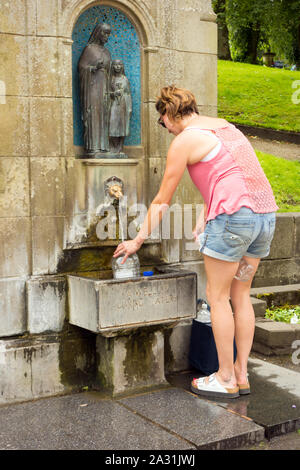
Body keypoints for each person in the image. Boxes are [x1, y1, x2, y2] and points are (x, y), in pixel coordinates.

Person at [113, 85, 278, 399]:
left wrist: (137, 240)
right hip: (263, 218)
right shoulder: (226, 127)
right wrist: (206, 212)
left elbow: (162, 199)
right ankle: (241, 375)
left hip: (233, 221)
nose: (166, 129)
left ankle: (225, 377)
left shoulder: (185, 140)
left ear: (169, 113)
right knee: (240, 294)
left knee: (217, 297)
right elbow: (233, 174)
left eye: (163, 122)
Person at [78, 23, 112, 155]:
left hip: (105, 88)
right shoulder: (89, 49)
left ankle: (104, 146)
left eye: (108, 34)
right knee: (93, 114)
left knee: (104, 114)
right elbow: (81, 68)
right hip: (92, 88)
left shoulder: (107, 52)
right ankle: (93, 147)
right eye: (105, 33)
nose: (107, 36)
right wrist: (93, 68)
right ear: (98, 33)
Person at [109, 59, 132, 154]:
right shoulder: (111, 79)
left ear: (122, 66)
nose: (117, 67)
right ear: (112, 66)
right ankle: (113, 146)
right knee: (112, 125)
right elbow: (106, 93)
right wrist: (113, 93)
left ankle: (120, 147)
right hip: (113, 104)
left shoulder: (125, 79)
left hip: (123, 105)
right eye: (115, 65)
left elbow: (128, 93)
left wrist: (129, 107)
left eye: (119, 65)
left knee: (122, 126)